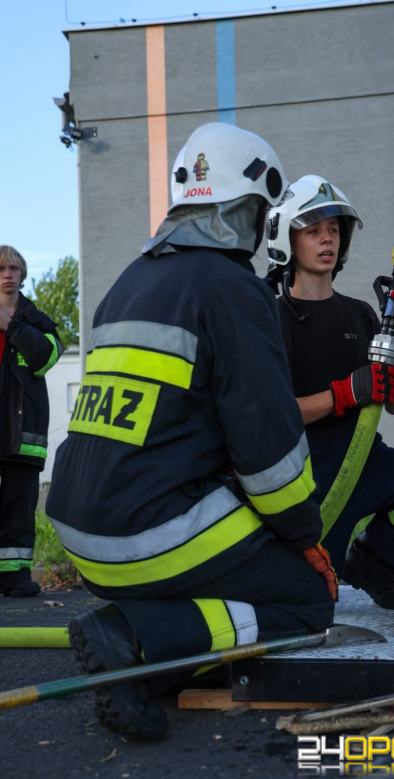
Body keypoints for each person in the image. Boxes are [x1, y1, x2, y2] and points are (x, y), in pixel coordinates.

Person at [46, 124, 337, 740]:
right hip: (146, 531)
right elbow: (270, 455)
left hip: (77, 526)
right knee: (304, 603)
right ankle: (135, 643)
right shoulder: (231, 289)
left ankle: (138, 635)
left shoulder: (129, 281)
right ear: (249, 209)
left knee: (228, 569)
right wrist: (303, 539)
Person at [266, 175, 394, 611]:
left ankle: (376, 559)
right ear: (287, 239)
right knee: (308, 602)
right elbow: (267, 416)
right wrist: (343, 394)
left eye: (334, 230)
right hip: (304, 482)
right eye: (313, 231)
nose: (326, 240)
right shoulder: (270, 318)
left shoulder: (358, 313)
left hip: (366, 463)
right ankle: (341, 555)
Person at [0, 245, 63, 597]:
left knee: (19, 507)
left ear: (23, 274)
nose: (8, 274)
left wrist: (11, 326)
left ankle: (14, 578)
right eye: (2, 269)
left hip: (23, 433)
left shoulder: (35, 319)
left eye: (14, 268)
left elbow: (46, 356)